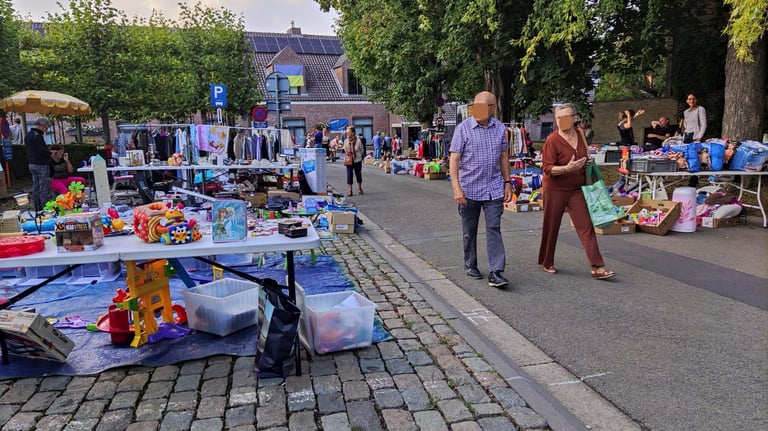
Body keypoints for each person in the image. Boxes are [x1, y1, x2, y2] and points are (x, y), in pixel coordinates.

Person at [538, 103, 615, 280]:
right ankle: (547, 261)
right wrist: (566, 168)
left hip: (576, 188)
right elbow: (547, 168)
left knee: (586, 225)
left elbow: (584, 153)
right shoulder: (552, 140)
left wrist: (586, 161)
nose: (561, 122)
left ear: (574, 118)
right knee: (552, 225)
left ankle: (597, 266)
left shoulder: (580, 134)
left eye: (565, 118)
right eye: (558, 118)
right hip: (555, 188)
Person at [449, 91, 513, 288]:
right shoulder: (463, 129)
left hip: (493, 188)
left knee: (494, 227)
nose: (476, 110)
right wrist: (456, 188)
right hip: (469, 189)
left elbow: (503, 157)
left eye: (482, 106)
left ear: (492, 108)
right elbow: (454, 159)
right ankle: (471, 264)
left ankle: (496, 271)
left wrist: (507, 182)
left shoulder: (500, 128)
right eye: (474, 105)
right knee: (470, 230)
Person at [25, 117, 53, 211]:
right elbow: (42, 151)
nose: (46, 130)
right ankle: (45, 208)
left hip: (31, 163)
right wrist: (50, 153)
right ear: (41, 125)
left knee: (35, 187)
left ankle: (37, 207)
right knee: (43, 188)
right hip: (41, 164)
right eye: (46, 127)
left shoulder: (28, 135)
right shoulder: (38, 136)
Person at [343, 126, 364, 196]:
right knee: (349, 175)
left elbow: (362, 150)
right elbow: (344, 149)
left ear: (353, 133)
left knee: (358, 174)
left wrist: (357, 155)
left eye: (348, 132)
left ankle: (360, 188)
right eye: (347, 132)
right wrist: (348, 154)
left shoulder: (358, 141)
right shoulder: (346, 141)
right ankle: (350, 191)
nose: (347, 134)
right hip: (349, 160)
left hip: (357, 160)